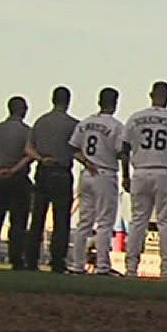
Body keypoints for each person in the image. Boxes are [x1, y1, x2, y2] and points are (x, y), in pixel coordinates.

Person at [121, 81, 167, 279]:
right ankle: (166, 268)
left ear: (151, 94)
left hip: (140, 171)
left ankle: (131, 268)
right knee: (166, 222)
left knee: (137, 221)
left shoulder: (135, 118)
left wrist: (125, 175)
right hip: (164, 172)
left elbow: (124, 149)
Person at [68, 88, 124, 275]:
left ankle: (77, 264)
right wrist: (125, 175)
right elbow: (121, 152)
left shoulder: (85, 123)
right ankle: (102, 266)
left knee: (84, 222)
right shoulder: (116, 126)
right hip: (105, 173)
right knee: (104, 223)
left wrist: (86, 161)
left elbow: (73, 149)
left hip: (86, 173)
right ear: (115, 103)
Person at [26, 87, 78, 274]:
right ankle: (57, 261)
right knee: (61, 219)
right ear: (68, 101)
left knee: (37, 218)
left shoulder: (40, 122)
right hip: (62, 172)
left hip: (43, 171)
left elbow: (28, 148)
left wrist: (41, 158)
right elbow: (77, 150)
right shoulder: (73, 124)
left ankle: (31, 259)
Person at [0, 95, 35, 269]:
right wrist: (14, 169)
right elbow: (29, 155)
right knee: (18, 222)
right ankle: (16, 259)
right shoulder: (27, 132)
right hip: (18, 180)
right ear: (22, 110)